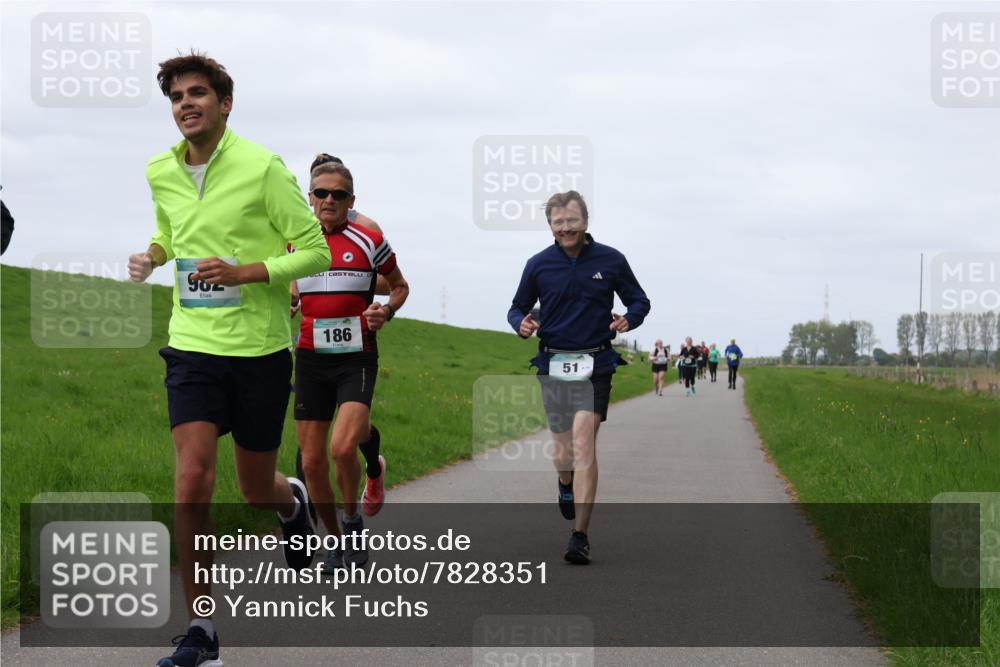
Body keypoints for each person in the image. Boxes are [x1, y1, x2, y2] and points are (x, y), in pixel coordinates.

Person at [127, 52, 331, 667]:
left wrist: (248, 270)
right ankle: (202, 632)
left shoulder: (262, 167)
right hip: (191, 344)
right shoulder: (159, 169)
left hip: (259, 352)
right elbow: (172, 228)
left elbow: (315, 249)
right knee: (192, 478)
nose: (185, 103)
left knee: (251, 488)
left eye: (197, 93)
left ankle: (290, 502)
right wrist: (154, 255)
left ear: (224, 103)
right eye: (176, 96)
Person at [507, 190, 650, 564]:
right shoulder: (538, 264)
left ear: (585, 221)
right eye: (559, 222)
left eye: (572, 220)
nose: (566, 227)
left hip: (597, 362)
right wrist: (520, 323)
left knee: (585, 441)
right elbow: (517, 306)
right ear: (551, 226)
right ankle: (565, 483)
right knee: (564, 451)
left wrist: (629, 319)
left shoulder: (611, 260)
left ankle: (580, 536)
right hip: (553, 362)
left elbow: (639, 300)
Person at [292, 160, 408, 573]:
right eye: (320, 193)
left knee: (342, 448)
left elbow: (399, 285)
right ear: (309, 198)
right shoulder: (293, 240)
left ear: (351, 201)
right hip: (309, 358)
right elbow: (288, 284)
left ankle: (353, 522)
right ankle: (334, 542)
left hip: (356, 356)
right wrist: (288, 298)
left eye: (338, 195)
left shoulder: (369, 239)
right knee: (310, 463)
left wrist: (386, 311)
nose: (328, 200)